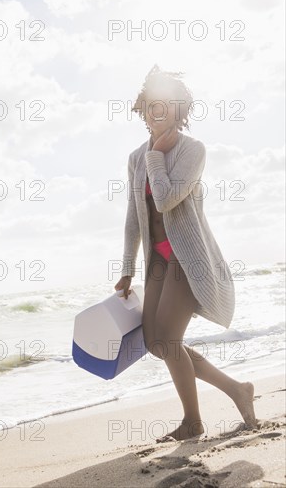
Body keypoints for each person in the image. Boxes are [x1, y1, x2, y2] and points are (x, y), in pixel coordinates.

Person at [114, 65, 258, 441]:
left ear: (179, 110)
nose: (156, 112)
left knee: (168, 340)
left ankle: (193, 421)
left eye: (165, 105)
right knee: (155, 343)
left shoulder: (192, 151)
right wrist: (128, 268)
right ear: (143, 110)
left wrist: (157, 158)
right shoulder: (135, 159)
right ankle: (237, 389)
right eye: (150, 105)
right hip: (159, 261)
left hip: (189, 259)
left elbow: (164, 200)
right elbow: (134, 217)